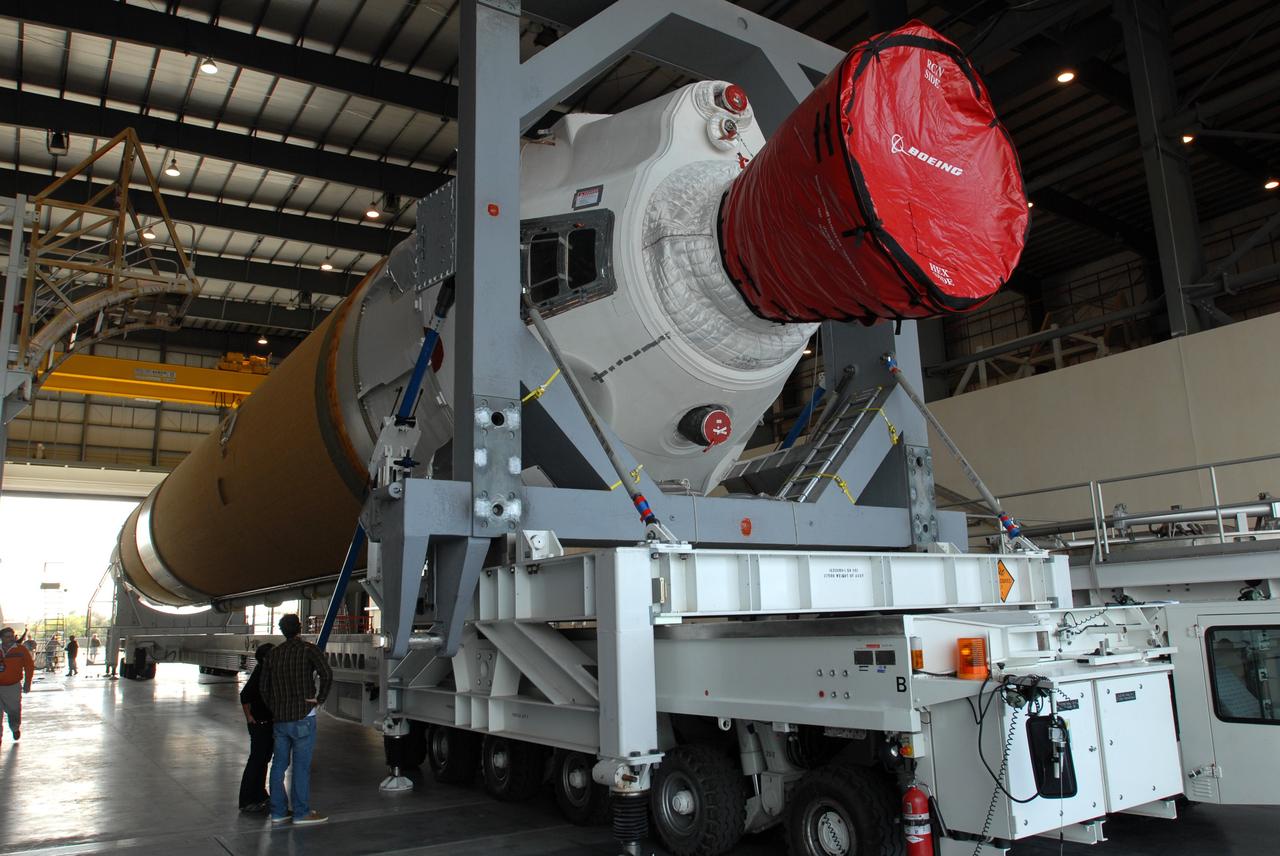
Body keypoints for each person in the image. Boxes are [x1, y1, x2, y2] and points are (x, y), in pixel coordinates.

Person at [260, 614, 332, 826]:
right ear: (299, 628)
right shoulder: (308, 650)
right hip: (303, 717)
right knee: (301, 767)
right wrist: (319, 699)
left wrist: (274, 706)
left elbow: (264, 687)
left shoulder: (273, 654)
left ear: (282, 630)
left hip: (280, 719)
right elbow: (326, 673)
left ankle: (278, 812)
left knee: (279, 766)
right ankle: (301, 812)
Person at [238, 643, 275, 812]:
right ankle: (247, 800)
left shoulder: (269, 672)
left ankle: (260, 795)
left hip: (268, 723)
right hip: (259, 724)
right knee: (256, 761)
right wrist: (249, 717)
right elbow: (244, 695)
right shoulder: (260, 672)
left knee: (263, 760)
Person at [0, 627, 35, 743]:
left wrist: (27, 683)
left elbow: (29, 666)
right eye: (7, 636)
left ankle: (15, 728)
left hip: (13, 687)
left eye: (12, 636)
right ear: (1, 638)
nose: (10, 639)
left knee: (14, 710)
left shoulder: (21, 650)